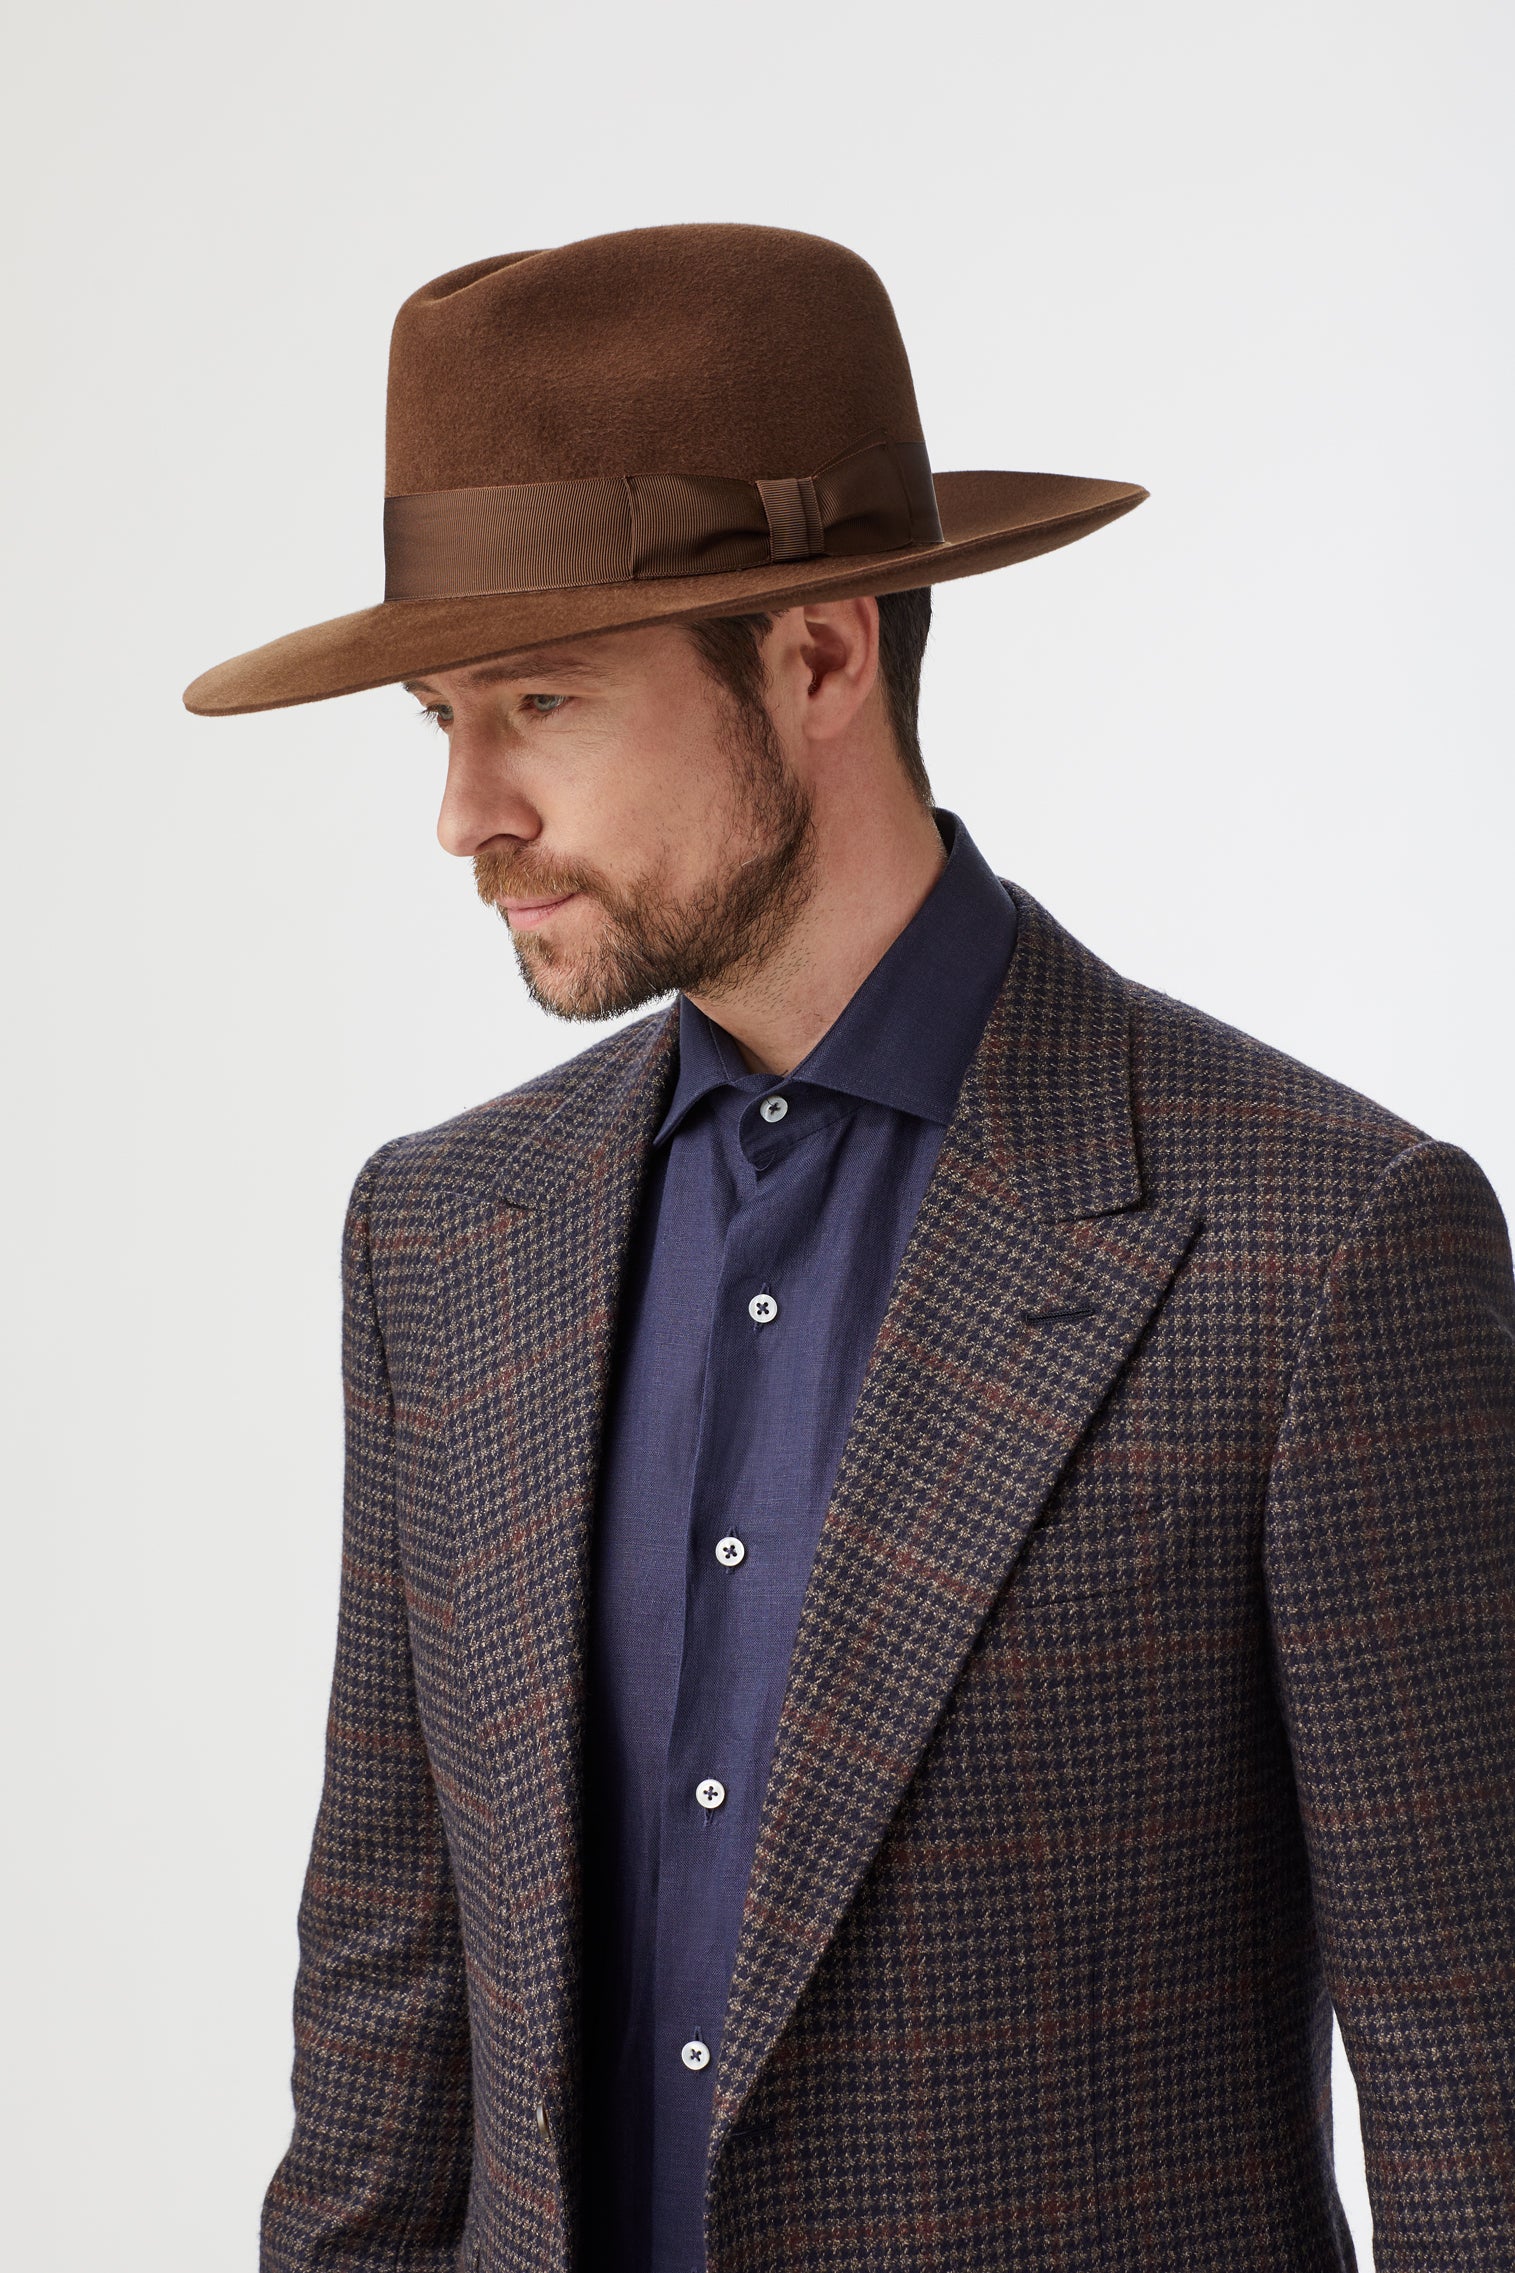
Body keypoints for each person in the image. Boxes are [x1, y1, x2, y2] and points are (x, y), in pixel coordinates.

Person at [184, 223, 1515, 2273]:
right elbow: (383, 2064)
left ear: (815, 657)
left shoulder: (1315, 1250)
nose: (465, 810)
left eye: (538, 700)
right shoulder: (442, 1242)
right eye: (440, 716)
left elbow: (1467, 2101)